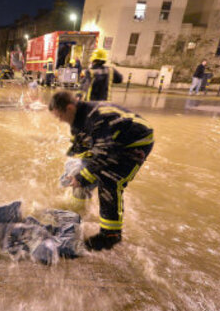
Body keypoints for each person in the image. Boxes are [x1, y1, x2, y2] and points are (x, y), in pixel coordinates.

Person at [49, 91, 154, 251]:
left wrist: (82, 178)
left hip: (134, 143)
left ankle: (110, 236)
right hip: (111, 141)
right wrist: (75, 169)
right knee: (84, 169)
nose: (59, 120)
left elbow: (104, 155)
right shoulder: (77, 119)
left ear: (69, 108)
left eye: (59, 116)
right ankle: (81, 208)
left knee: (109, 179)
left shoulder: (97, 118)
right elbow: (80, 148)